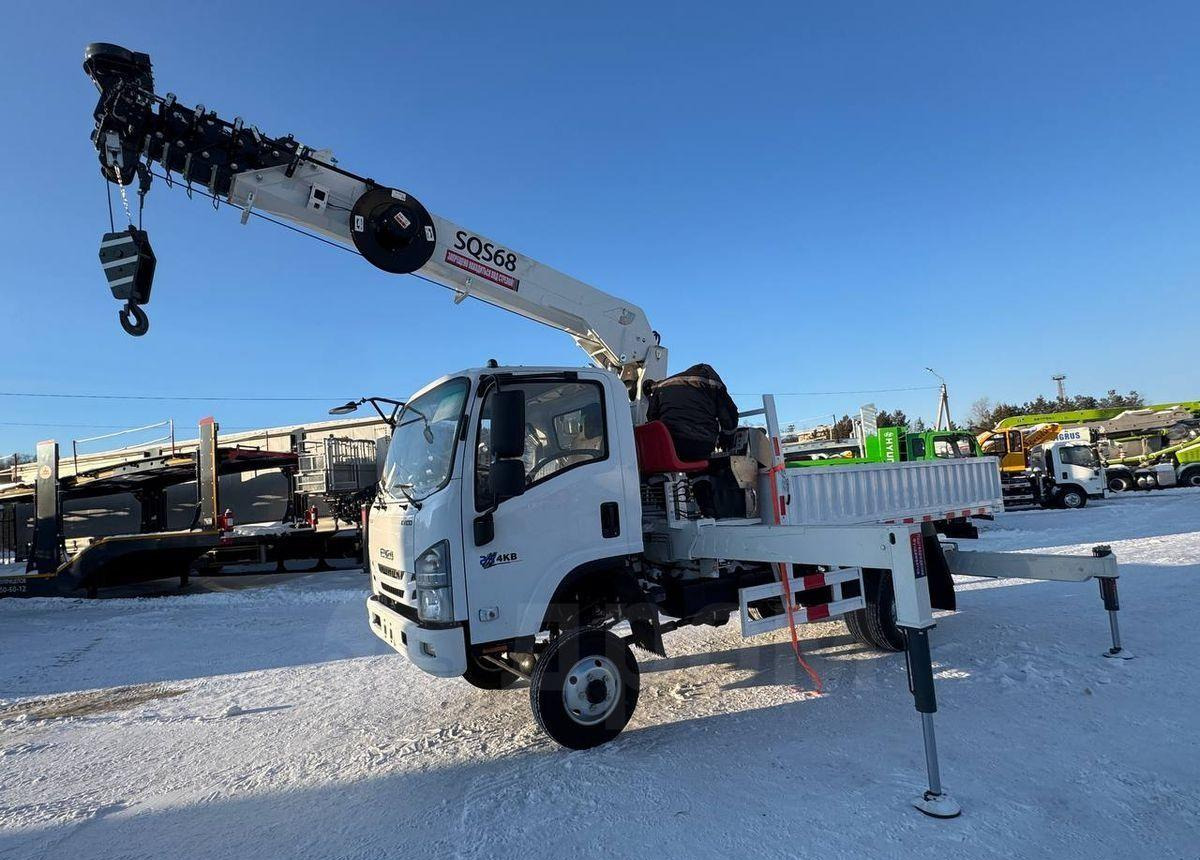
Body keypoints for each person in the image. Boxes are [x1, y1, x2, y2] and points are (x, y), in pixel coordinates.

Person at [646, 363, 739, 461]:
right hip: (699, 444)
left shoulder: (663, 385)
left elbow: (651, 417)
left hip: (667, 444)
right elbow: (729, 415)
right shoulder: (713, 383)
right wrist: (727, 439)